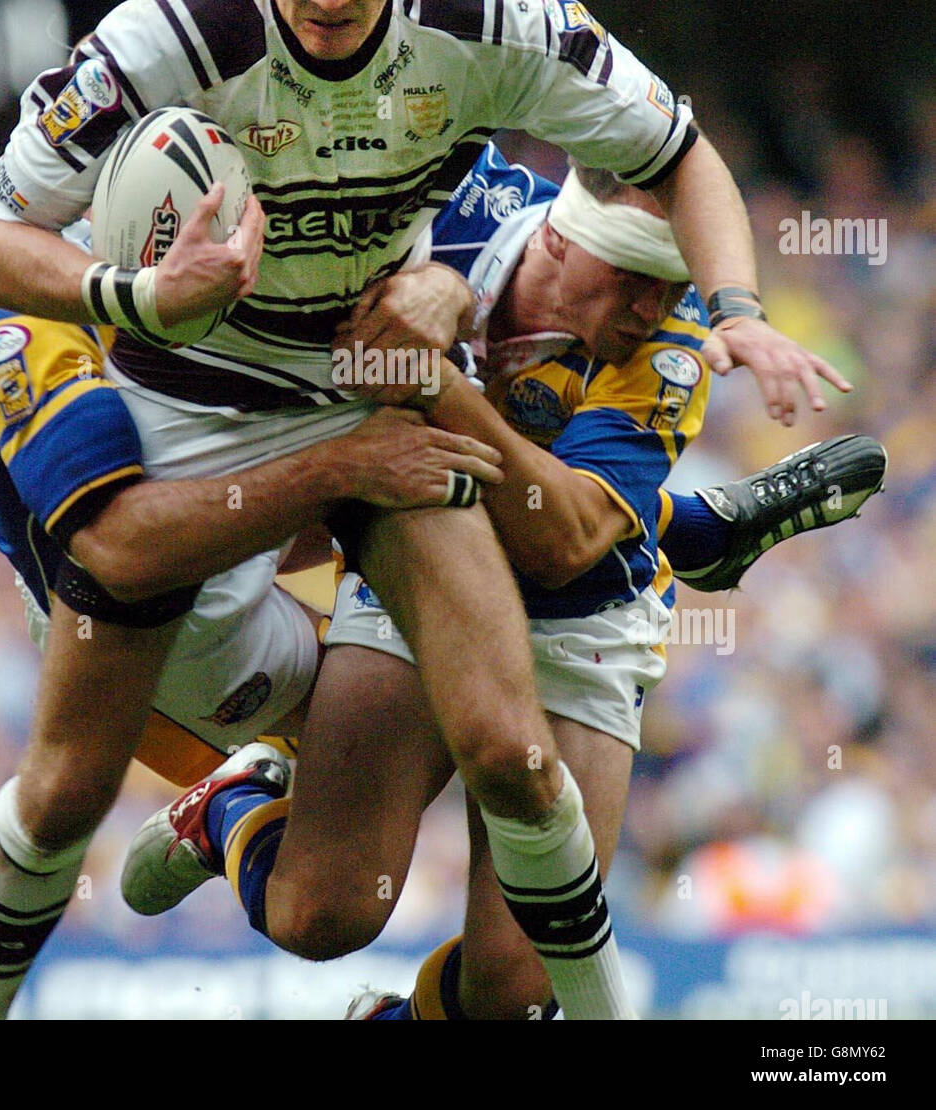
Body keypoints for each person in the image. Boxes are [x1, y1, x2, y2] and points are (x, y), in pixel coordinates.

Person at [0, 0, 850, 1021]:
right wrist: (139, 294)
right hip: (187, 397)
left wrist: (739, 305)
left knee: (510, 759)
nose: (326, 0)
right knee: (119, 817)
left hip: (363, 396)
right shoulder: (169, 32)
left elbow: (682, 154)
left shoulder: (492, 16)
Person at [121, 143, 886, 1020]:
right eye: (634, 277)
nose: (651, 308)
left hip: (583, 609)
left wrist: (436, 385)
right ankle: (227, 805)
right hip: (423, 572)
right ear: (560, 242)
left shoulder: (670, 348)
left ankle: (674, 528)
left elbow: (564, 540)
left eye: (672, 286)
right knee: (321, 915)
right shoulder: (436, 204)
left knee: (515, 996)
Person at [0, 214, 503, 1016]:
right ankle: (232, 810)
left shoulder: (281, 220)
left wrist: (452, 289)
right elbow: (126, 547)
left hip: (260, 512)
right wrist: (346, 468)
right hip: (165, 614)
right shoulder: (24, 329)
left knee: (499, 721)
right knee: (328, 893)